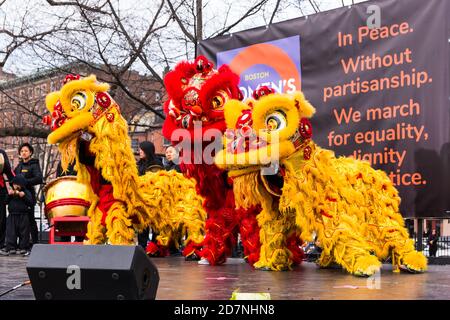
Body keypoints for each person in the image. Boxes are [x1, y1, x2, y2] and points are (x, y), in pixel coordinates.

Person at [14, 142, 43, 247]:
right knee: (19, 220)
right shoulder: (19, 166)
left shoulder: (34, 164)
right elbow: (13, 176)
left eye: (26, 151)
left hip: (29, 195)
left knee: (30, 219)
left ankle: (35, 243)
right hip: (18, 197)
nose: (24, 153)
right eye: (22, 151)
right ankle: (21, 244)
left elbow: (39, 178)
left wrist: (25, 182)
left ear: (30, 152)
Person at [136, 141, 163, 249]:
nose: (139, 152)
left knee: (156, 224)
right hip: (142, 198)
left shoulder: (156, 163)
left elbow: (158, 180)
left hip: (154, 198)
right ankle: (142, 246)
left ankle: (155, 247)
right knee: (142, 224)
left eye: (141, 150)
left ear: (147, 150)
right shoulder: (140, 163)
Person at [0, 175, 32, 256]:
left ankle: (23, 248)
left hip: (23, 215)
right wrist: (9, 195)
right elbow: (5, 202)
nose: (15, 186)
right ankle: (11, 247)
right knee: (11, 232)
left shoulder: (26, 192)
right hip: (12, 215)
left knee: (24, 233)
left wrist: (24, 196)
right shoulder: (11, 193)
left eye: (17, 184)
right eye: (14, 184)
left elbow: (30, 202)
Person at [0, 149, 15, 249]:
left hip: (0, 189)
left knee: (1, 218)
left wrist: (17, 185)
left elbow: (8, 171)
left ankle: (1, 244)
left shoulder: (1, 153)